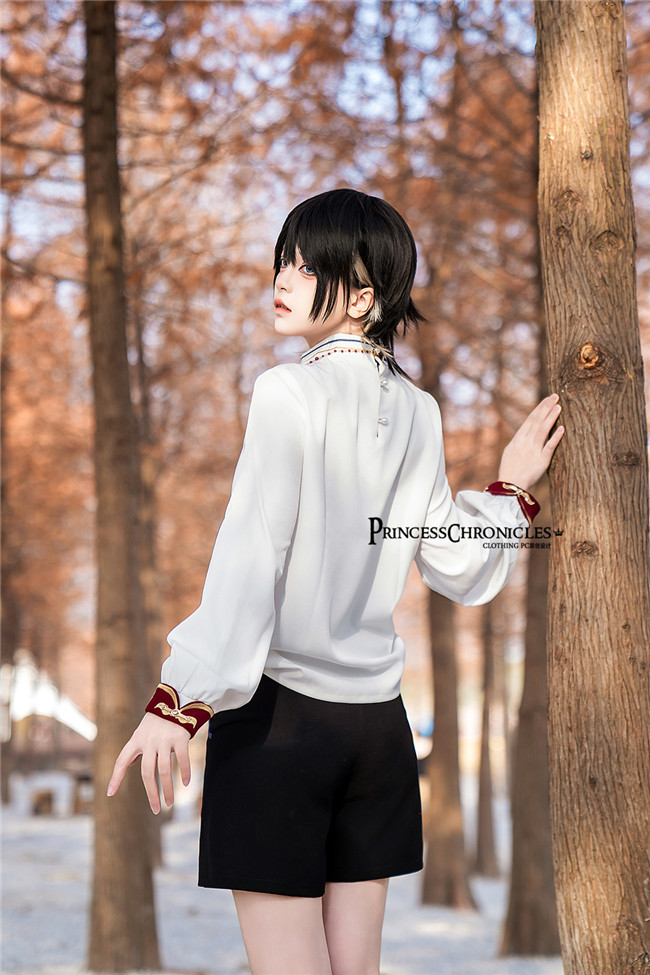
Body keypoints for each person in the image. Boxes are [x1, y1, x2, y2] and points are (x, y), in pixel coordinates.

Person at [107, 188, 564, 975]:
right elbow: (455, 561)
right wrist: (511, 491)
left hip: (281, 723)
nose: (281, 279)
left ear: (360, 296)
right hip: (378, 733)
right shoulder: (420, 411)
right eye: (282, 261)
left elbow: (252, 554)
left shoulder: (286, 391)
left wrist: (179, 700)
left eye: (306, 265)